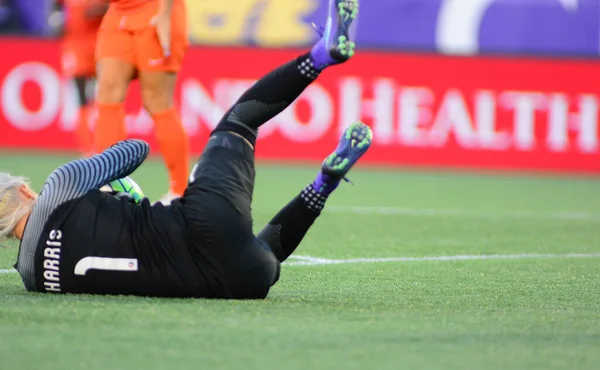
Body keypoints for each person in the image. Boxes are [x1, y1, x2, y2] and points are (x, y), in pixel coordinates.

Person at [1, 0, 368, 299]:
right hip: (200, 221)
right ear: (24, 190)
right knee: (239, 122)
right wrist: (111, 185)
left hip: (236, 280)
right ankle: (322, 55)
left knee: (261, 253)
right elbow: (135, 149)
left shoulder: (33, 278)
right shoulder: (59, 185)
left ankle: (324, 183)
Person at [94, 0, 190, 204]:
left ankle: (180, 190)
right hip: (118, 12)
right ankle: (108, 183)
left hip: (155, 9)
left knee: (157, 101)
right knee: (107, 95)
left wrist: (165, 13)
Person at [58, 0, 108, 156]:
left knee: (103, 97)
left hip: (101, 45)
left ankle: (103, 145)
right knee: (82, 98)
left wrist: (98, 10)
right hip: (76, 46)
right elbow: (58, 13)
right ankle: (87, 149)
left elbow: (115, 7)